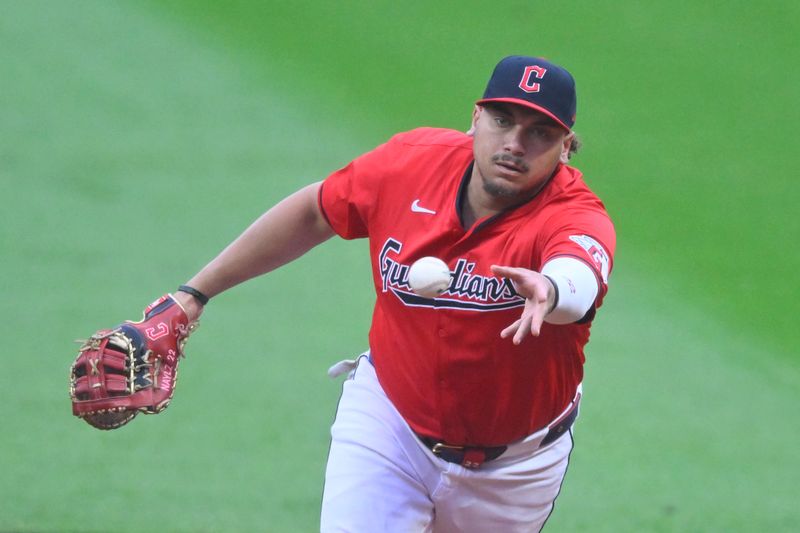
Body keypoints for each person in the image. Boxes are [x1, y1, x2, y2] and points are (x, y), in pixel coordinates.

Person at [172, 55, 615, 532]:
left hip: (515, 472)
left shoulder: (575, 213)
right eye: (503, 120)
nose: (514, 144)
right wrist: (193, 294)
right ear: (475, 119)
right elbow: (314, 212)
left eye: (539, 133)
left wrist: (550, 289)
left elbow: (580, 276)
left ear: (566, 147)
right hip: (390, 426)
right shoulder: (410, 165)